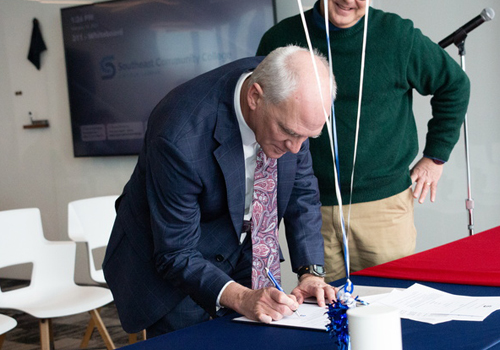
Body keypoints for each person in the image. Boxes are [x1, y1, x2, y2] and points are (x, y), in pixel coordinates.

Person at [103, 45, 338, 337]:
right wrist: (241, 298)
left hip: (244, 247)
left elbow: (302, 192)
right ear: (255, 97)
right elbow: (176, 251)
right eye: (289, 133)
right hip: (175, 264)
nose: (296, 148)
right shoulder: (179, 135)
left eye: (307, 137)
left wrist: (310, 273)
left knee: (259, 339)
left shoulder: (296, 104)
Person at [256, 0, 470, 283]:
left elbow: (454, 84)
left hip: (383, 207)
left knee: (391, 308)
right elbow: (256, 107)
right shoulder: (280, 38)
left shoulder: (397, 35)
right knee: (323, 314)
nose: (348, 0)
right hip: (310, 209)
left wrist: (435, 156)